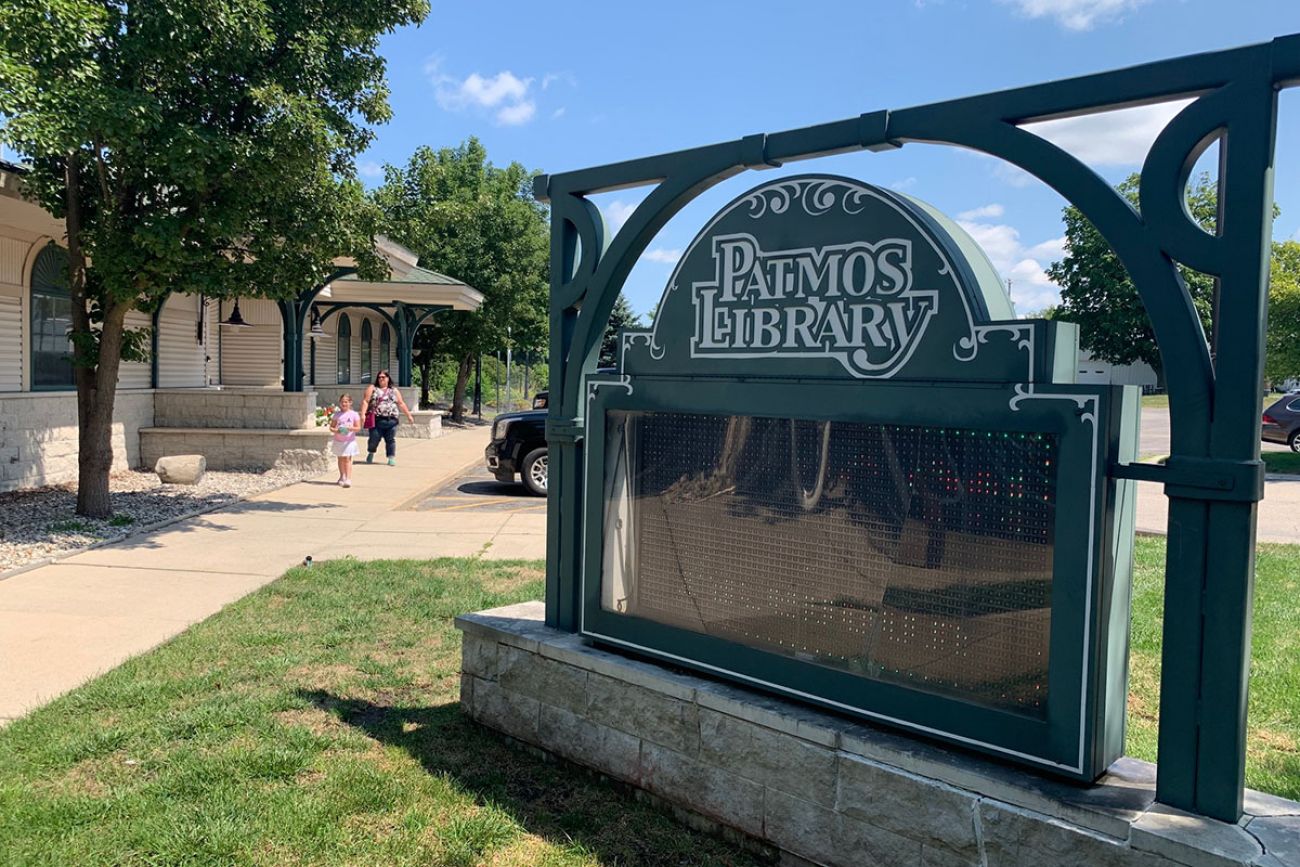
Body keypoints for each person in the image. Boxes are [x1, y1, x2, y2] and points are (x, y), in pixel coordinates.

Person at [360, 370, 415, 466]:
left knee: (390, 439)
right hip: (377, 419)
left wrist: (408, 415)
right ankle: (371, 452)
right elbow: (365, 401)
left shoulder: (394, 390)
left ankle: (391, 457)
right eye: (379, 377)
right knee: (374, 439)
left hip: (391, 419)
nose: (381, 379)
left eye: (383, 377)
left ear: (388, 378)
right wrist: (363, 414)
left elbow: (401, 403)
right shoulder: (372, 388)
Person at [329, 394, 361, 487]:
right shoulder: (337, 415)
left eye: (346, 402)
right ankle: (342, 475)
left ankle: (348, 478)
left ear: (350, 403)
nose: (344, 404)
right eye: (342, 402)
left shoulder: (354, 414)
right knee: (340, 458)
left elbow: (358, 427)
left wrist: (351, 428)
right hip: (339, 440)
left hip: (349, 441)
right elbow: (332, 427)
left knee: (347, 459)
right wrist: (337, 430)